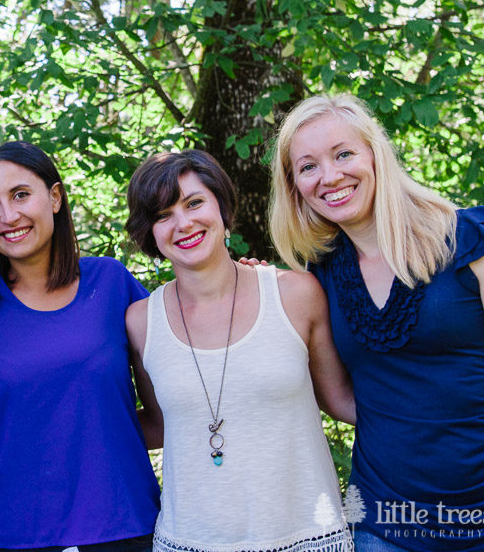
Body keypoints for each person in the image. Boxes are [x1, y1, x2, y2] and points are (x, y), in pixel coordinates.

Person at [270, 93, 484, 551]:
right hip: (386, 522)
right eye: (308, 166)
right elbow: (338, 396)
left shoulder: (478, 241)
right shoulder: (318, 278)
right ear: (294, 186)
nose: (330, 176)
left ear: (375, 155)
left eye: (343, 154)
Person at [124, 149, 353, 552]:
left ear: (222, 207)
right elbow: (158, 424)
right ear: (150, 232)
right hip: (189, 541)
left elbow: (343, 401)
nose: (183, 223)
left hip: (306, 537)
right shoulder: (141, 322)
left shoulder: (295, 294)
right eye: (163, 215)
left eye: (194, 203)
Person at [0, 141, 160, 552]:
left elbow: (167, 414)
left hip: (125, 526)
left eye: (21, 194)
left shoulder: (111, 282)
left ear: (55, 197)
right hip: (14, 535)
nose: (8, 216)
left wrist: (245, 280)